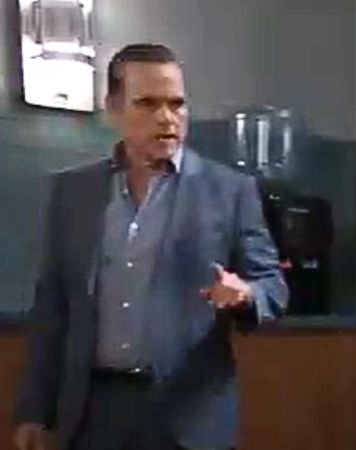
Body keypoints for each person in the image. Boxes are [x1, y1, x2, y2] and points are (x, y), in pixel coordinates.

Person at [12, 43, 288, 450]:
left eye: (177, 104)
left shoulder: (230, 192)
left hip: (188, 416)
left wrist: (246, 294)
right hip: (93, 414)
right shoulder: (73, 192)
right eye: (147, 103)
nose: (166, 118)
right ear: (113, 109)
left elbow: (273, 286)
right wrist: (35, 411)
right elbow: (54, 308)